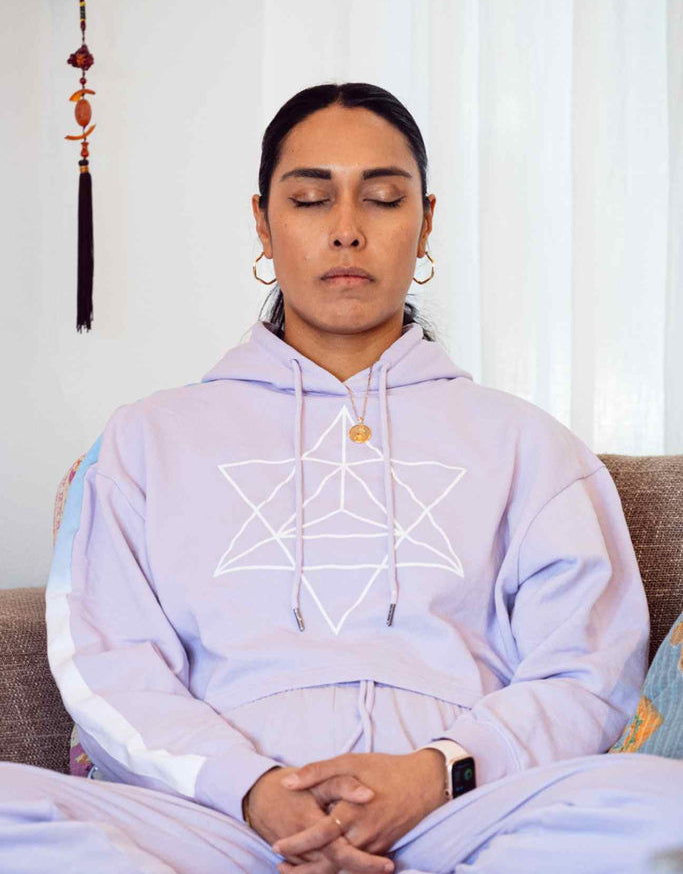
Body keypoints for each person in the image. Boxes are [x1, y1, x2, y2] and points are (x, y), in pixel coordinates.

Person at [2, 81, 682, 874]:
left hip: (461, 819)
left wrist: (435, 774)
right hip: (214, 825)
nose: (348, 231)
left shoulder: (530, 445)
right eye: (311, 199)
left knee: (658, 803)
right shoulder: (143, 441)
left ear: (426, 222)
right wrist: (254, 789)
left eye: (384, 199)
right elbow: (106, 659)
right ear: (262, 222)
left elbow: (586, 671)